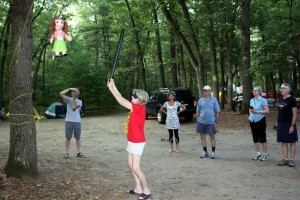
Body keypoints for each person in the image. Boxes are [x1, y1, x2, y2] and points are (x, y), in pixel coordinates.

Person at [107, 79, 151, 200]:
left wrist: (112, 87)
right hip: (132, 139)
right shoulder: (134, 106)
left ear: (141, 100)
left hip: (138, 141)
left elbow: (120, 100)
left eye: (135, 96)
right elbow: (122, 98)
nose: (132, 96)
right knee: (130, 165)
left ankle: (146, 190)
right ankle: (138, 187)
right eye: (133, 95)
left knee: (136, 168)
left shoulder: (139, 108)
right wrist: (112, 86)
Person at [196, 85, 221, 159]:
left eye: (206, 90)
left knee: (212, 137)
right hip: (201, 122)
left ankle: (213, 152)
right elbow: (198, 111)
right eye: (204, 90)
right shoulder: (200, 100)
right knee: (202, 137)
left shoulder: (214, 100)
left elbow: (217, 111)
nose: (205, 92)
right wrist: (198, 120)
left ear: (210, 91)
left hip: (211, 122)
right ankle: (205, 152)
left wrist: (216, 122)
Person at [59, 88, 84, 159]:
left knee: (78, 138)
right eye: (73, 91)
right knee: (68, 137)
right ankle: (66, 153)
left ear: (78, 93)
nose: (73, 92)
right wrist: (69, 89)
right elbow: (61, 93)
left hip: (77, 121)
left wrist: (73, 98)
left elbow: (73, 107)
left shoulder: (80, 101)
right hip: (68, 121)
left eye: (75, 91)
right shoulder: (68, 99)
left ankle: (78, 153)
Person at [277, 83, 298, 167]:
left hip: (289, 123)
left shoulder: (292, 100)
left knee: (292, 141)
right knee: (284, 141)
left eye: (283, 88)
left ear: (288, 90)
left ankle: (292, 160)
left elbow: (295, 113)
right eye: (281, 88)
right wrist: (277, 123)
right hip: (281, 123)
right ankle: (285, 159)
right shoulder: (281, 99)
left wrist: (292, 125)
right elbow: (280, 112)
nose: (281, 89)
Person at [249, 86, 270, 161]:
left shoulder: (263, 100)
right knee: (255, 137)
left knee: (262, 136)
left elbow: (267, 111)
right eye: (253, 90)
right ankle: (258, 154)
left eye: (256, 90)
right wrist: (251, 112)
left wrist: (257, 112)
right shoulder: (251, 100)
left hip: (260, 119)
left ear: (260, 92)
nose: (254, 91)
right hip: (252, 120)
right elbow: (250, 108)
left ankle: (265, 154)